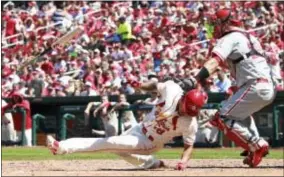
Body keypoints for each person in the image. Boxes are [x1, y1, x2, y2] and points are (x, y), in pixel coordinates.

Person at [47, 80, 208, 170]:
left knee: (109, 143)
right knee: (120, 151)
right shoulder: (172, 89)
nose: (186, 113)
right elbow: (154, 86)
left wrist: (183, 162)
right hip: (139, 128)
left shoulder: (190, 122)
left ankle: (61, 147)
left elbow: (188, 145)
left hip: (149, 142)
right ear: (184, 99)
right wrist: (140, 85)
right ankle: (153, 163)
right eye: (186, 109)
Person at [188, 8, 277, 168]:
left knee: (222, 118)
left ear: (226, 23)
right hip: (264, 85)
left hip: (255, 85)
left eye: (215, 24)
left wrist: (197, 77)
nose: (213, 27)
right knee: (241, 115)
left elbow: (215, 62)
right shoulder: (249, 37)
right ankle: (253, 148)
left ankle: (256, 144)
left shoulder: (230, 37)